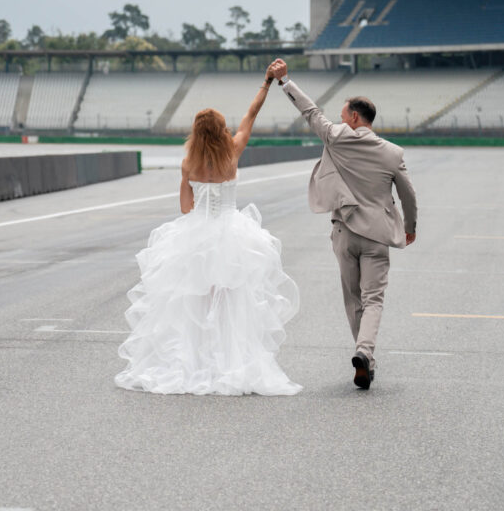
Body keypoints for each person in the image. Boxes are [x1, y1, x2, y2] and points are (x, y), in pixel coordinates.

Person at [115, 62, 301, 396]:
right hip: (232, 233)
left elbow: (185, 208)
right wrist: (266, 83)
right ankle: (230, 362)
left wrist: (192, 187)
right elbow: (251, 115)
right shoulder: (233, 151)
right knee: (232, 302)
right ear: (220, 129)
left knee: (195, 302)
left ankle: (195, 363)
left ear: (197, 134)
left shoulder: (188, 163)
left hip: (196, 234)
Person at [270, 58, 417, 390]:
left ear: (353, 117)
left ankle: (363, 356)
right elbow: (408, 195)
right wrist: (410, 227)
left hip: (344, 233)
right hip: (378, 235)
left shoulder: (337, 137)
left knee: (353, 299)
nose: (339, 119)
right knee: (374, 298)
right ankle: (365, 352)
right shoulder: (393, 153)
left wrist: (285, 82)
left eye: (342, 115)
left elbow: (310, 112)